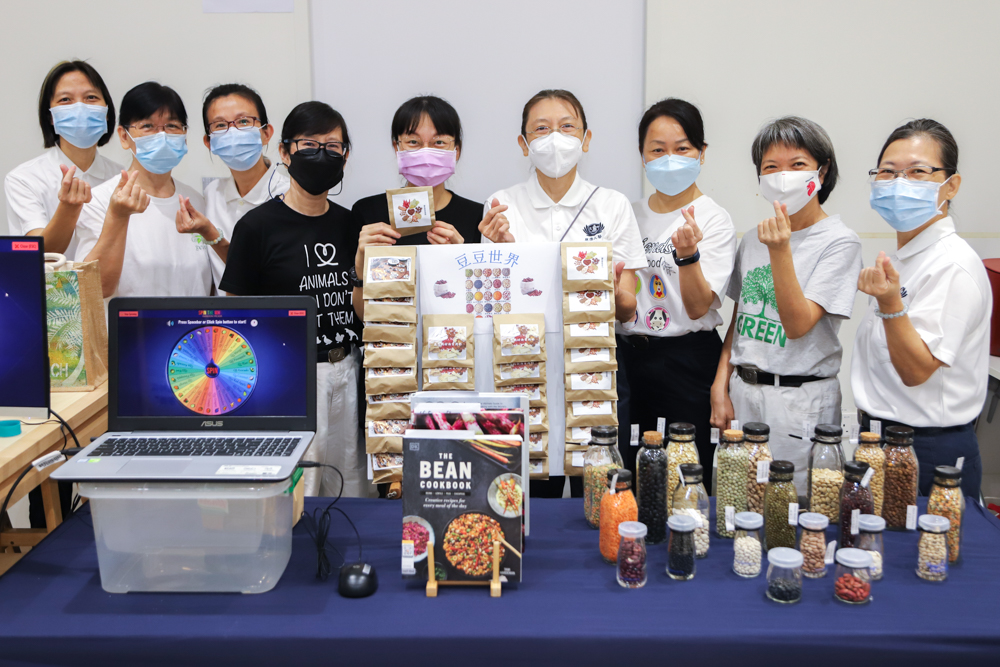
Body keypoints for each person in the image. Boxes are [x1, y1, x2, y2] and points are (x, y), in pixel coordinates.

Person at [480, 89, 646, 498]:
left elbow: (627, 308)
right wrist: (502, 254)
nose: (555, 137)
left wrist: (609, 291)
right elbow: (493, 307)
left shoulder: (612, 205)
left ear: (586, 139)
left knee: (602, 488)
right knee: (532, 491)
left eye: (567, 126)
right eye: (541, 128)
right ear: (524, 144)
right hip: (523, 366)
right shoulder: (502, 205)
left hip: (597, 363)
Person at [221, 101, 368, 498]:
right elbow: (235, 317)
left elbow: (365, 307)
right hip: (291, 377)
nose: (321, 155)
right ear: (285, 152)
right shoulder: (256, 227)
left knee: (352, 487)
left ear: (345, 155)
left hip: (349, 369)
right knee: (297, 490)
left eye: (332, 146)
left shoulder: (351, 225)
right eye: (309, 145)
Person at [711, 116, 862, 494]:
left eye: (797, 165)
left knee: (794, 504)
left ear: (821, 172)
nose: (783, 178)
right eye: (771, 167)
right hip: (744, 390)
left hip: (799, 399)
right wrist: (720, 383)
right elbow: (740, 318)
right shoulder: (753, 239)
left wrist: (780, 250)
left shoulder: (839, 241)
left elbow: (797, 325)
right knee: (736, 498)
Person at [853, 119, 989, 499]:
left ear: (951, 185)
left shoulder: (952, 265)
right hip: (882, 439)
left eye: (917, 172)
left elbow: (915, 371)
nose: (899, 184)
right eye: (888, 172)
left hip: (927, 450)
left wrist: (889, 303)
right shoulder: (907, 258)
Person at [617, 99, 736, 475]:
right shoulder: (627, 214)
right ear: (642, 156)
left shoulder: (714, 219)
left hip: (687, 362)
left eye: (682, 148)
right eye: (657, 150)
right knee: (631, 469)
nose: (669, 159)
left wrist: (687, 256)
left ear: (702, 152)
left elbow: (699, 306)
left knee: (685, 472)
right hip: (629, 360)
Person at [75, 82, 223, 298]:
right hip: (130, 322)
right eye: (147, 126)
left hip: (190, 322)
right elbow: (94, 290)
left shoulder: (196, 201)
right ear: (124, 136)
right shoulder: (100, 201)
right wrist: (117, 217)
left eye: (171, 126)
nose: (161, 135)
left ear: (184, 135)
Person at [351, 95, 479, 318]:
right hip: (391, 339)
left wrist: (461, 260)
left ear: (456, 151)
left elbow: (478, 310)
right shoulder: (368, 213)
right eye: (413, 142)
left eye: (439, 142)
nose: (425, 152)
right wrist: (361, 268)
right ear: (397, 147)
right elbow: (364, 318)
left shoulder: (477, 216)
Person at [5, 61, 123, 257]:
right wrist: (68, 209)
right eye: (65, 99)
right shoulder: (24, 179)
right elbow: (38, 253)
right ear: (51, 117)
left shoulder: (122, 178)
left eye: (91, 97)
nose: (80, 108)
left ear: (107, 113)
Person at [202, 83, 289, 287]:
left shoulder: (290, 195)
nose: (233, 132)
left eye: (243, 121)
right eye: (220, 125)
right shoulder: (211, 194)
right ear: (209, 142)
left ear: (266, 133)